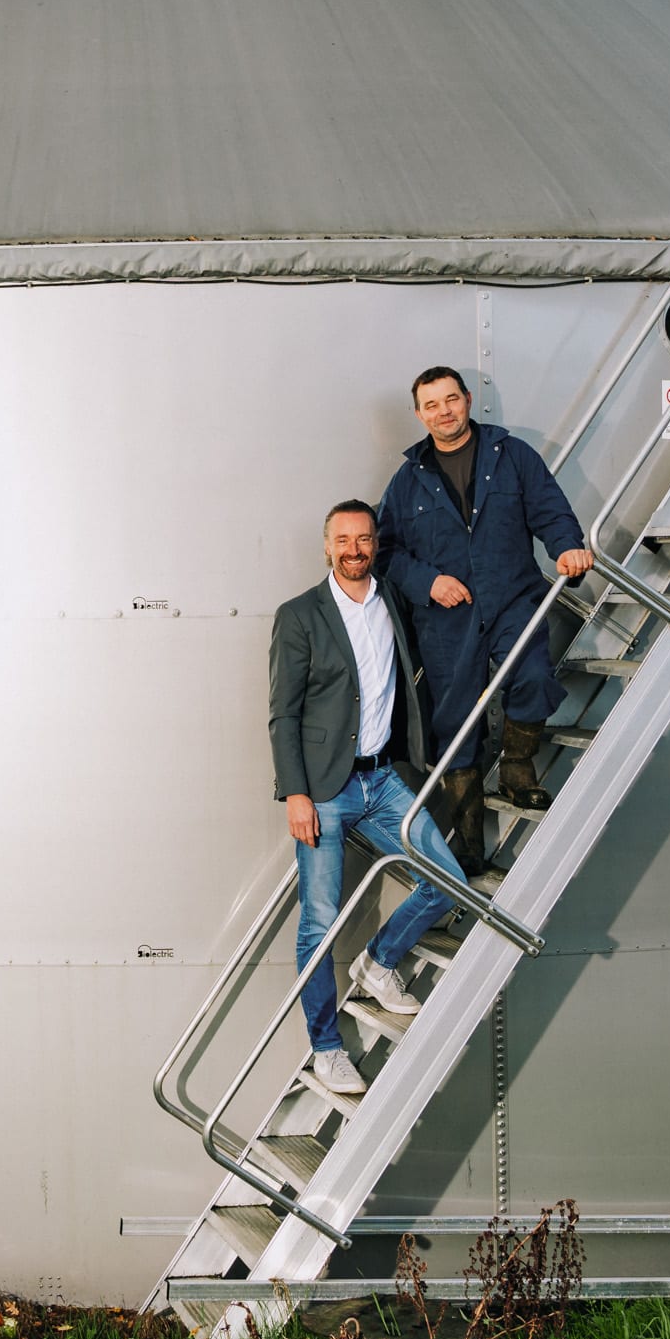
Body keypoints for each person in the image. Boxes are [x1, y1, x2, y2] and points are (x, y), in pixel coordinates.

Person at [267, 500, 469, 1097]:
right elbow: (283, 713)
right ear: (326, 546)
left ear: (376, 544)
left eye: (364, 539)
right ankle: (326, 1050)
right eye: (343, 540)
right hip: (324, 789)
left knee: (448, 881)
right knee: (319, 924)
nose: (354, 550)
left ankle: (379, 963)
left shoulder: (392, 603)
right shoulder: (300, 615)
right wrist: (296, 793)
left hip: (381, 781)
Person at [375, 366, 594, 858]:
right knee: (455, 719)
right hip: (447, 617)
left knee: (533, 676)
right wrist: (429, 582)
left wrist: (566, 547)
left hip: (512, 596)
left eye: (451, 399)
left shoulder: (512, 456)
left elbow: (551, 511)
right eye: (432, 405)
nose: (444, 412)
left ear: (469, 400)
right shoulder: (408, 480)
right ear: (419, 414)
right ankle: (469, 840)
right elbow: (386, 552)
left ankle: (517, 769)